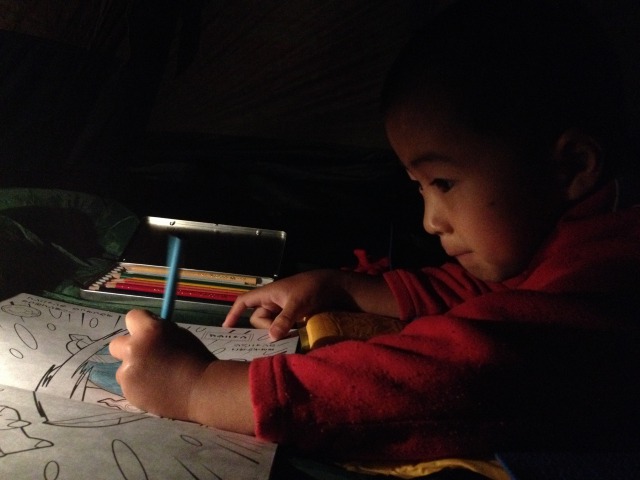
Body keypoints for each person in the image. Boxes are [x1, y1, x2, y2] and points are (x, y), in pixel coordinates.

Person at [110, 0, 640, 463]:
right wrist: (342, 286)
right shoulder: (562, 241)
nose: (430, 221)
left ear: (572, 165)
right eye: (420, 187)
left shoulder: (611, 275)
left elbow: (464, 372)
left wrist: (201, 387)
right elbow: (489, 293)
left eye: (444, 182)